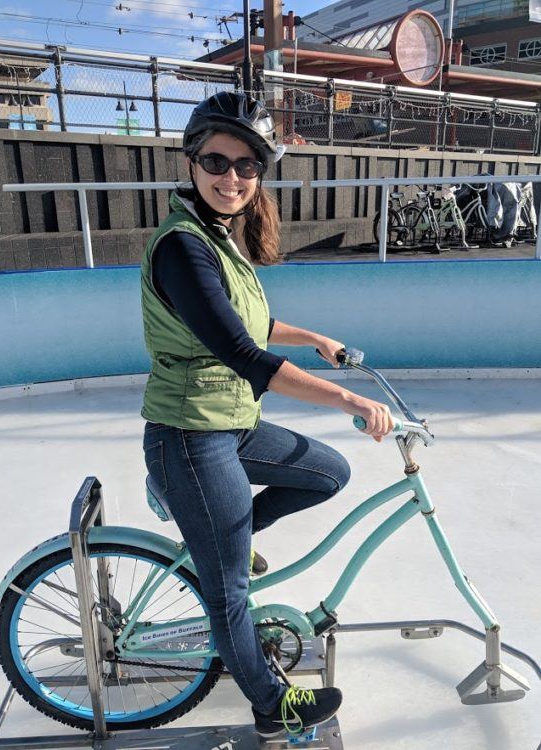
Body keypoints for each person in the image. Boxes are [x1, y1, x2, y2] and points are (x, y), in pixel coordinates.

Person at [140, 91, 393, 738]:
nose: (231, 178)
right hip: (190, 434)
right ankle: (270, 705)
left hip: (229, 424)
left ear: (259, 174)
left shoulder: (221, 241)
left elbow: (253, 323)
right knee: (227, 591)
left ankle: (220, 530)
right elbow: (242, 352)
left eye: (246, 166)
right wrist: (349, 399)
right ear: (191, 163)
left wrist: (315, 338)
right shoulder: (183, 248)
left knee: (327, 471)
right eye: (217, 162)